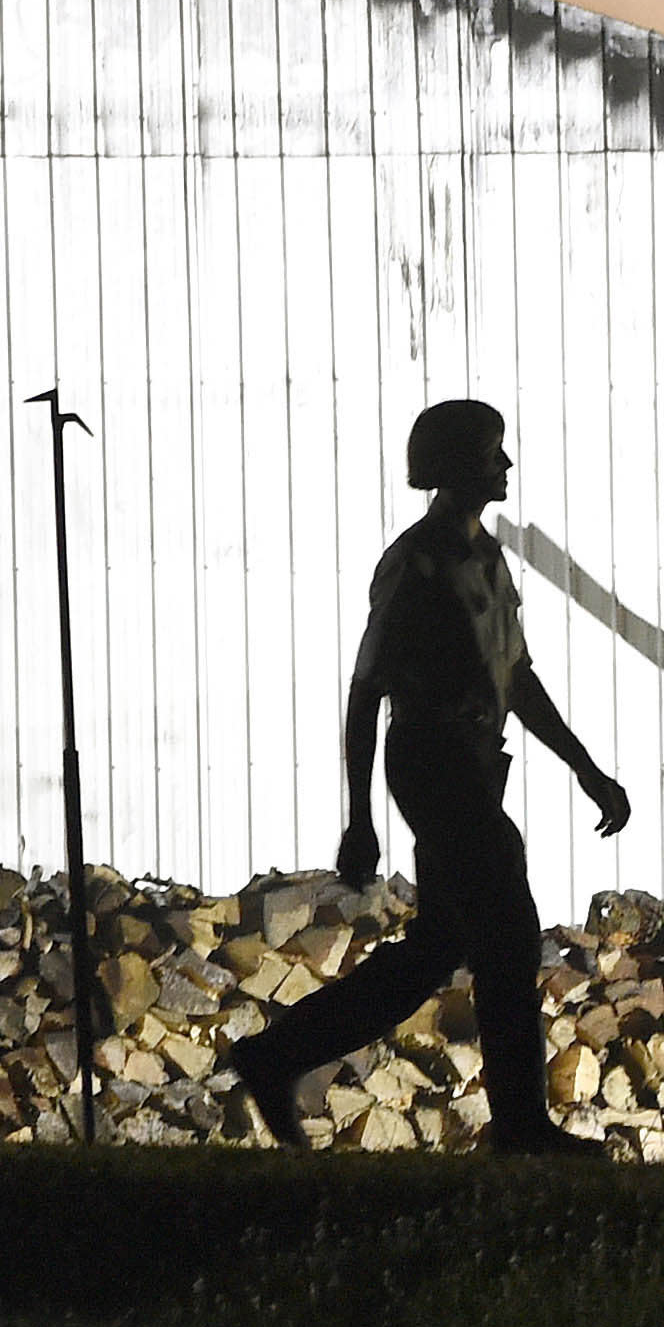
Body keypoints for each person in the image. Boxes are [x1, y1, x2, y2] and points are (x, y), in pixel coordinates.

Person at [225, 400, 625, 1159]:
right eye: (489, 454)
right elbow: (366, 691)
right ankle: (520, 1128)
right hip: (434, 766)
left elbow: (517, 681)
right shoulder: (416, 564)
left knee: (437, 948)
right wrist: (359, 817)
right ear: (449, 468)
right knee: (507, 931)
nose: (503, 466)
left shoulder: (488, 561)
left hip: (476, 765)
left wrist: (586, 769)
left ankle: (275, 1057)